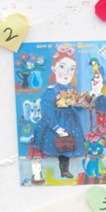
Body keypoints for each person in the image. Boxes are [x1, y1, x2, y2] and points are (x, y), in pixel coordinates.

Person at [33, 45, 85, 178]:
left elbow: (76, 105)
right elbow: (47, 109)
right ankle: (40, 171)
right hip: (55, 122)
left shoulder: (71, 90)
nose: (67, 73)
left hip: (70, 122)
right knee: (56, 145)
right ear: (54, 69)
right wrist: (56, 127)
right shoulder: (51, 91)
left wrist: (81, 102)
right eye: (62, 67)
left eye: (72, 69)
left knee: (67, 146)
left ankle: (64, 170)